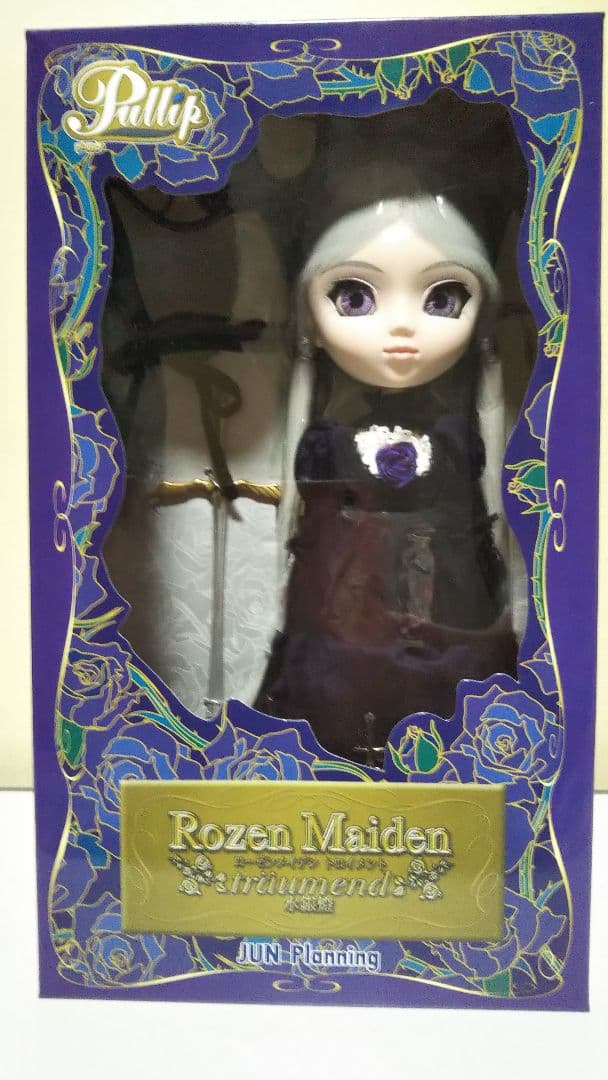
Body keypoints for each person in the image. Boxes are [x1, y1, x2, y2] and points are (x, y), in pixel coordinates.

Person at [255, 193, 518, 762]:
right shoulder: (326, 438)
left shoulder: (456, 435)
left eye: (442, 298)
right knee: (339, 695)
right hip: (342, 604)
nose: (401, 327)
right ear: (311, 318)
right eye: (354, 297)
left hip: (448, 603)